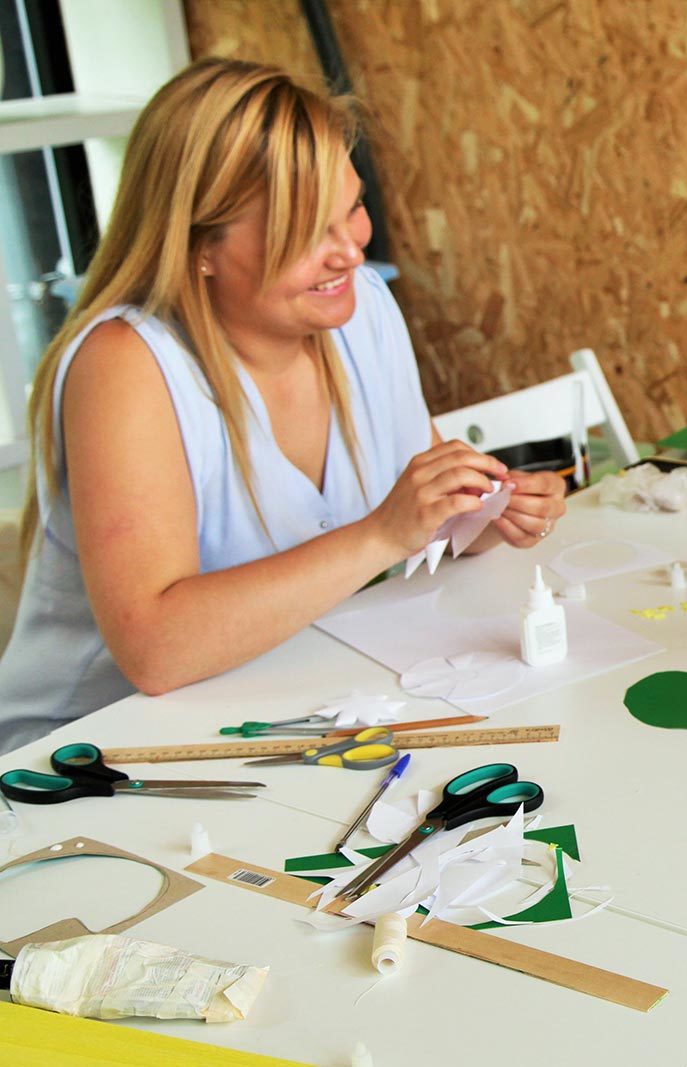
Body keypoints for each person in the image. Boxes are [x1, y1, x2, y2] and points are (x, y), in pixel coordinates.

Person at [0, 59, 566, 754]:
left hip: (271, 708)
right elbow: (155, 652)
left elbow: (421, 519)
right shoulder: (127, 364)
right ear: (200, 247)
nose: (351, 253)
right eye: (306, 232)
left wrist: (485, 509)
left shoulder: (362, 316)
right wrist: (384, 533)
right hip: (85, 754)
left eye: (353, 209)